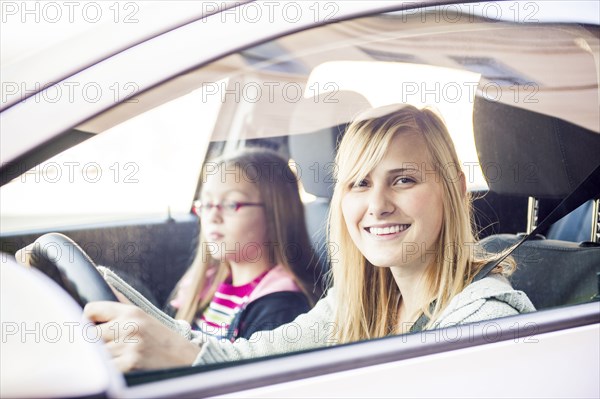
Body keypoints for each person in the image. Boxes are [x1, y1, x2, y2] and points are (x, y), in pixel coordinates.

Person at [85, 104, 535, 371]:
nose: (376, 205)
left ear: (455, 187)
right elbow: (249, 358)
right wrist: (115, 295)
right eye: (358, 183)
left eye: (403, 180)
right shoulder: (357, 302)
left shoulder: (483, 320)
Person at [162, 150, 322, 341]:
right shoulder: (203, 284)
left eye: (231, 204)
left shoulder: (281, 308)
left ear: (274, 215)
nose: (213, 216)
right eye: (206, 204)